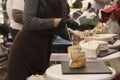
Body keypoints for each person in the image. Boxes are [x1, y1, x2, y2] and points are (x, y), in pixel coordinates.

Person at [7, 0, 79, 80]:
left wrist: (76, 37)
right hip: (26, 50)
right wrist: (57, 22)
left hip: (43, 50)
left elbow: (58, 27)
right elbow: (28, 21)